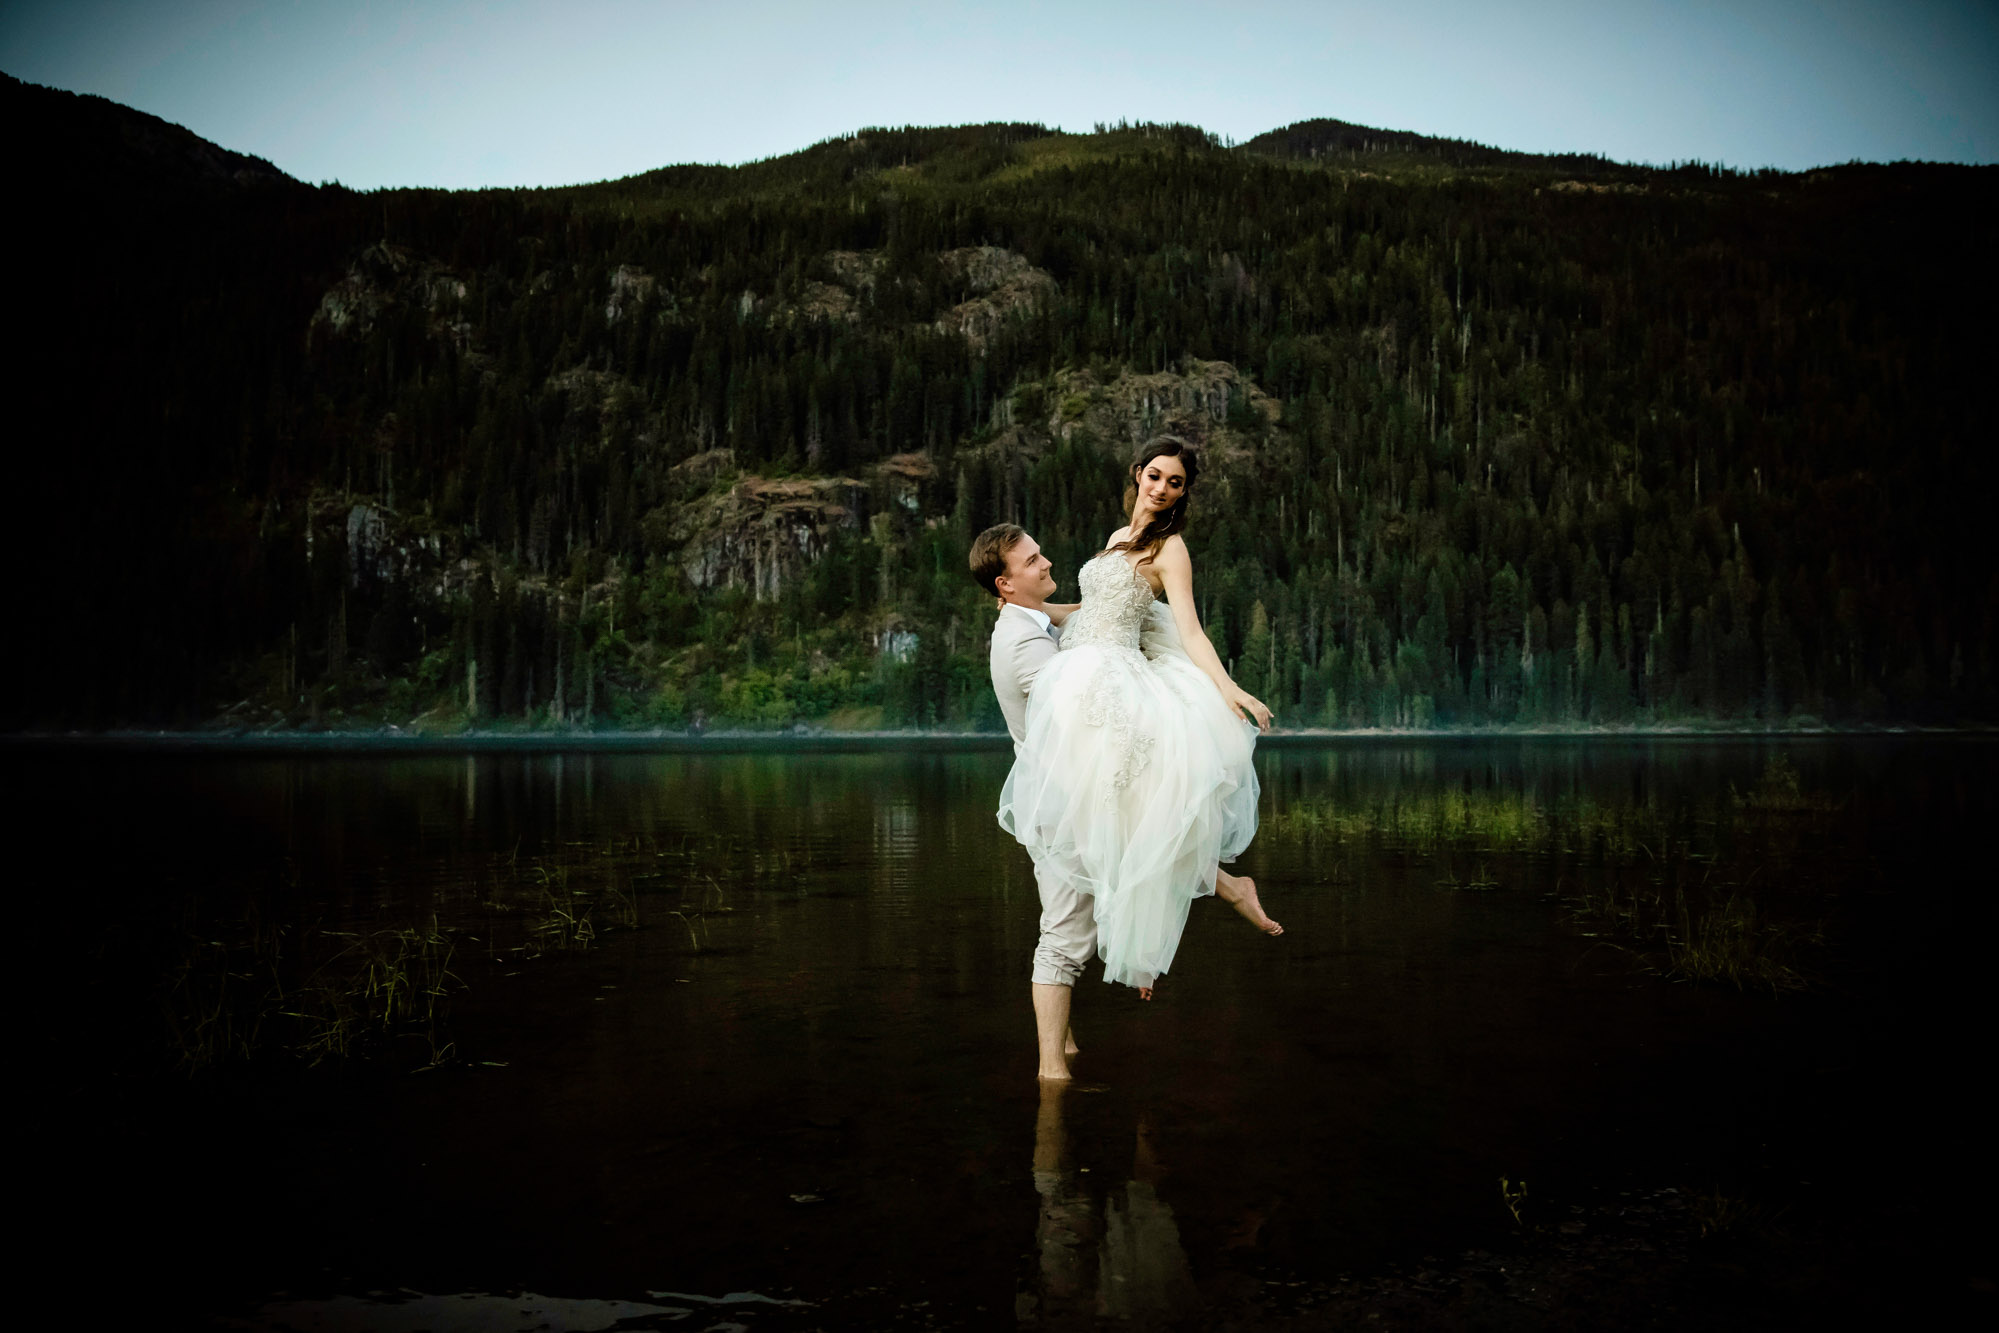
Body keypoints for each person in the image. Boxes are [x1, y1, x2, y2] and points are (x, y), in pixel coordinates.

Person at [996, 436, 1281, 1022]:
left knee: (1133, 807)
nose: (1162, 488)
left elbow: (1190, 631)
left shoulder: (1169, 550)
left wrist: (1231, 691)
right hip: (1081, 665)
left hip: (1113, 673)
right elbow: (1090, 608)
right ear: (1138, 474)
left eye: (1174, 483)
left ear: (1181, 493)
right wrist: (1027, 610)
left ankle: (1150, 941)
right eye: (1155, 475)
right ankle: (1224, 890)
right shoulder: (1115, 541)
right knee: (1103, 810)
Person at [971, 522, 1091, 1080]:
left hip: (1057, 796)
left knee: (1064, 926)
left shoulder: (1026, 622)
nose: (1046, 563)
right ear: (1005, 584)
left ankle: (1063, 1049)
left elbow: (1060, 617)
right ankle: (1052, 1076)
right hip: (1059, 804)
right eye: (1032, 561)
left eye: (1042, 553)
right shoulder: (1021, 642)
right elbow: (1082, 706)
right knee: (1062, 942)